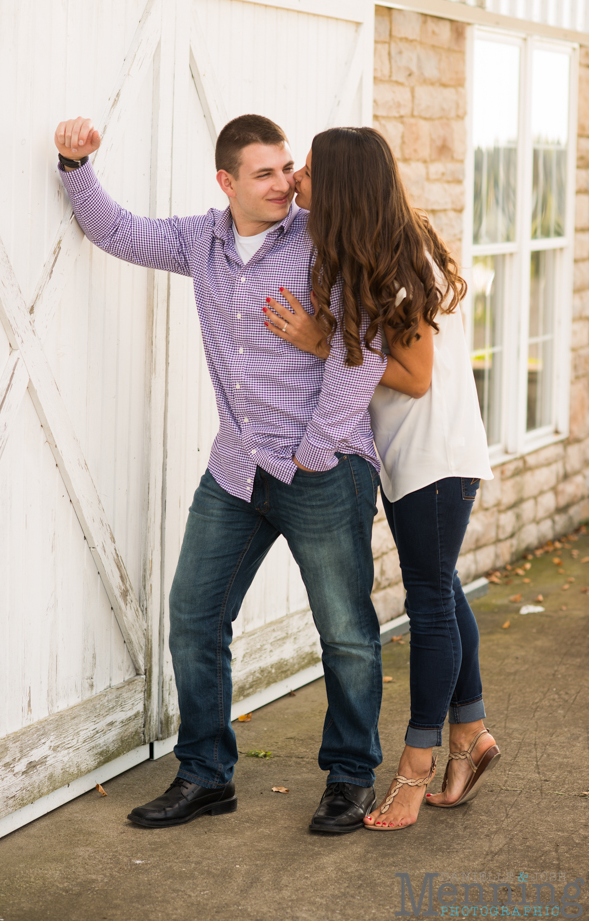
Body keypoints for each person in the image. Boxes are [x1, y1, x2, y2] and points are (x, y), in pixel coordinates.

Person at [54, 113, 388, 833]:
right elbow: (115, 230)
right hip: (236, 470)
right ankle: (206, 774)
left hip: (321, 470)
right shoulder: (198, 241)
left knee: (345, 633)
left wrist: (318, 447)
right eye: (264, 173)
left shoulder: (321, 238)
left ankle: (351, 776)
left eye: (287, 167)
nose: (284, 183)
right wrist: (75, 166)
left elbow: (362, 347)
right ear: (226, 181)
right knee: (194, 621)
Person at [262, 126, 499, 832]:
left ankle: (413, 770)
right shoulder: (381, 240)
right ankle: (472, 736)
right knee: (443, 592)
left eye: (307, 168)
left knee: (427, 605)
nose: (296, 177)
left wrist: (318, 342)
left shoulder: (396, 260)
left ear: (338, 186)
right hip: (422, 459)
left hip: (431, 458)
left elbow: (414, 378)